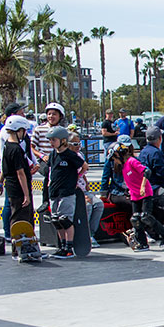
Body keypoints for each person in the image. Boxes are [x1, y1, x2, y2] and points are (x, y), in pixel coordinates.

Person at [117, 138, 164, 250]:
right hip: (134, 195)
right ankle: (142, 243)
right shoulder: (123, 167)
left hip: (145, 193)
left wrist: (142, 186)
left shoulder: (132, 161)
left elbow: (146, 171)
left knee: (146, 216)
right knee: (135, 219)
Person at [43, 126, 82, 257]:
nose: (51, 143)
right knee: (56, 220)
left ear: (63, 140)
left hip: (66, 191)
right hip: (54, 191)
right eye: (50, 140)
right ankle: (62, 244)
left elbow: (84, 166)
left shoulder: (70, 155)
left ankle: (69, 247)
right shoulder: (53, 154)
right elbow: (50, 171)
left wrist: (76, 179)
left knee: (65, 220)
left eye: (53, 140)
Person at [0, 115, 33, 236]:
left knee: (15, 216)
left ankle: (17, 247)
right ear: (19, 130)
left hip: (11, 187)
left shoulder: (7, 145)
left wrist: (0, 183)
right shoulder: (16, 149)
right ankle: (21, 247)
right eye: (24, 131)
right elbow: (20, 173)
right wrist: (26, 195)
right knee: (21, 219)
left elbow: (4, 167)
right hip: (19, 190)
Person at [68, 132, 103, 247]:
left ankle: (90, 233)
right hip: (74, 190)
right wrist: (81, 195)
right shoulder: (67, 157)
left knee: (98, 204)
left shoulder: (79, 156)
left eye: (79, 143)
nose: (78, 146)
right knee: (86, 206)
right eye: (75, 143)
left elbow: (82, 173)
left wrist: (86, 182)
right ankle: (82, 234)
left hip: (83, 188)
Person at [32, 102, 65, 172]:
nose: (51, 116)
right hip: (44, 161)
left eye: (54, 114)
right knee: (48, 171)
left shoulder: (63, 131)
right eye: (49, 114)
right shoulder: (39, 129)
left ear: (60, 116)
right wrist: (42, 156)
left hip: (59, 159)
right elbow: (31, 147)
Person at [138, 127, 164, 193]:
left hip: (144, 187)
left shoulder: (143, 151)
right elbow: (162, 173)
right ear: (160, 138)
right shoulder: (156, 153)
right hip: (156, 188)